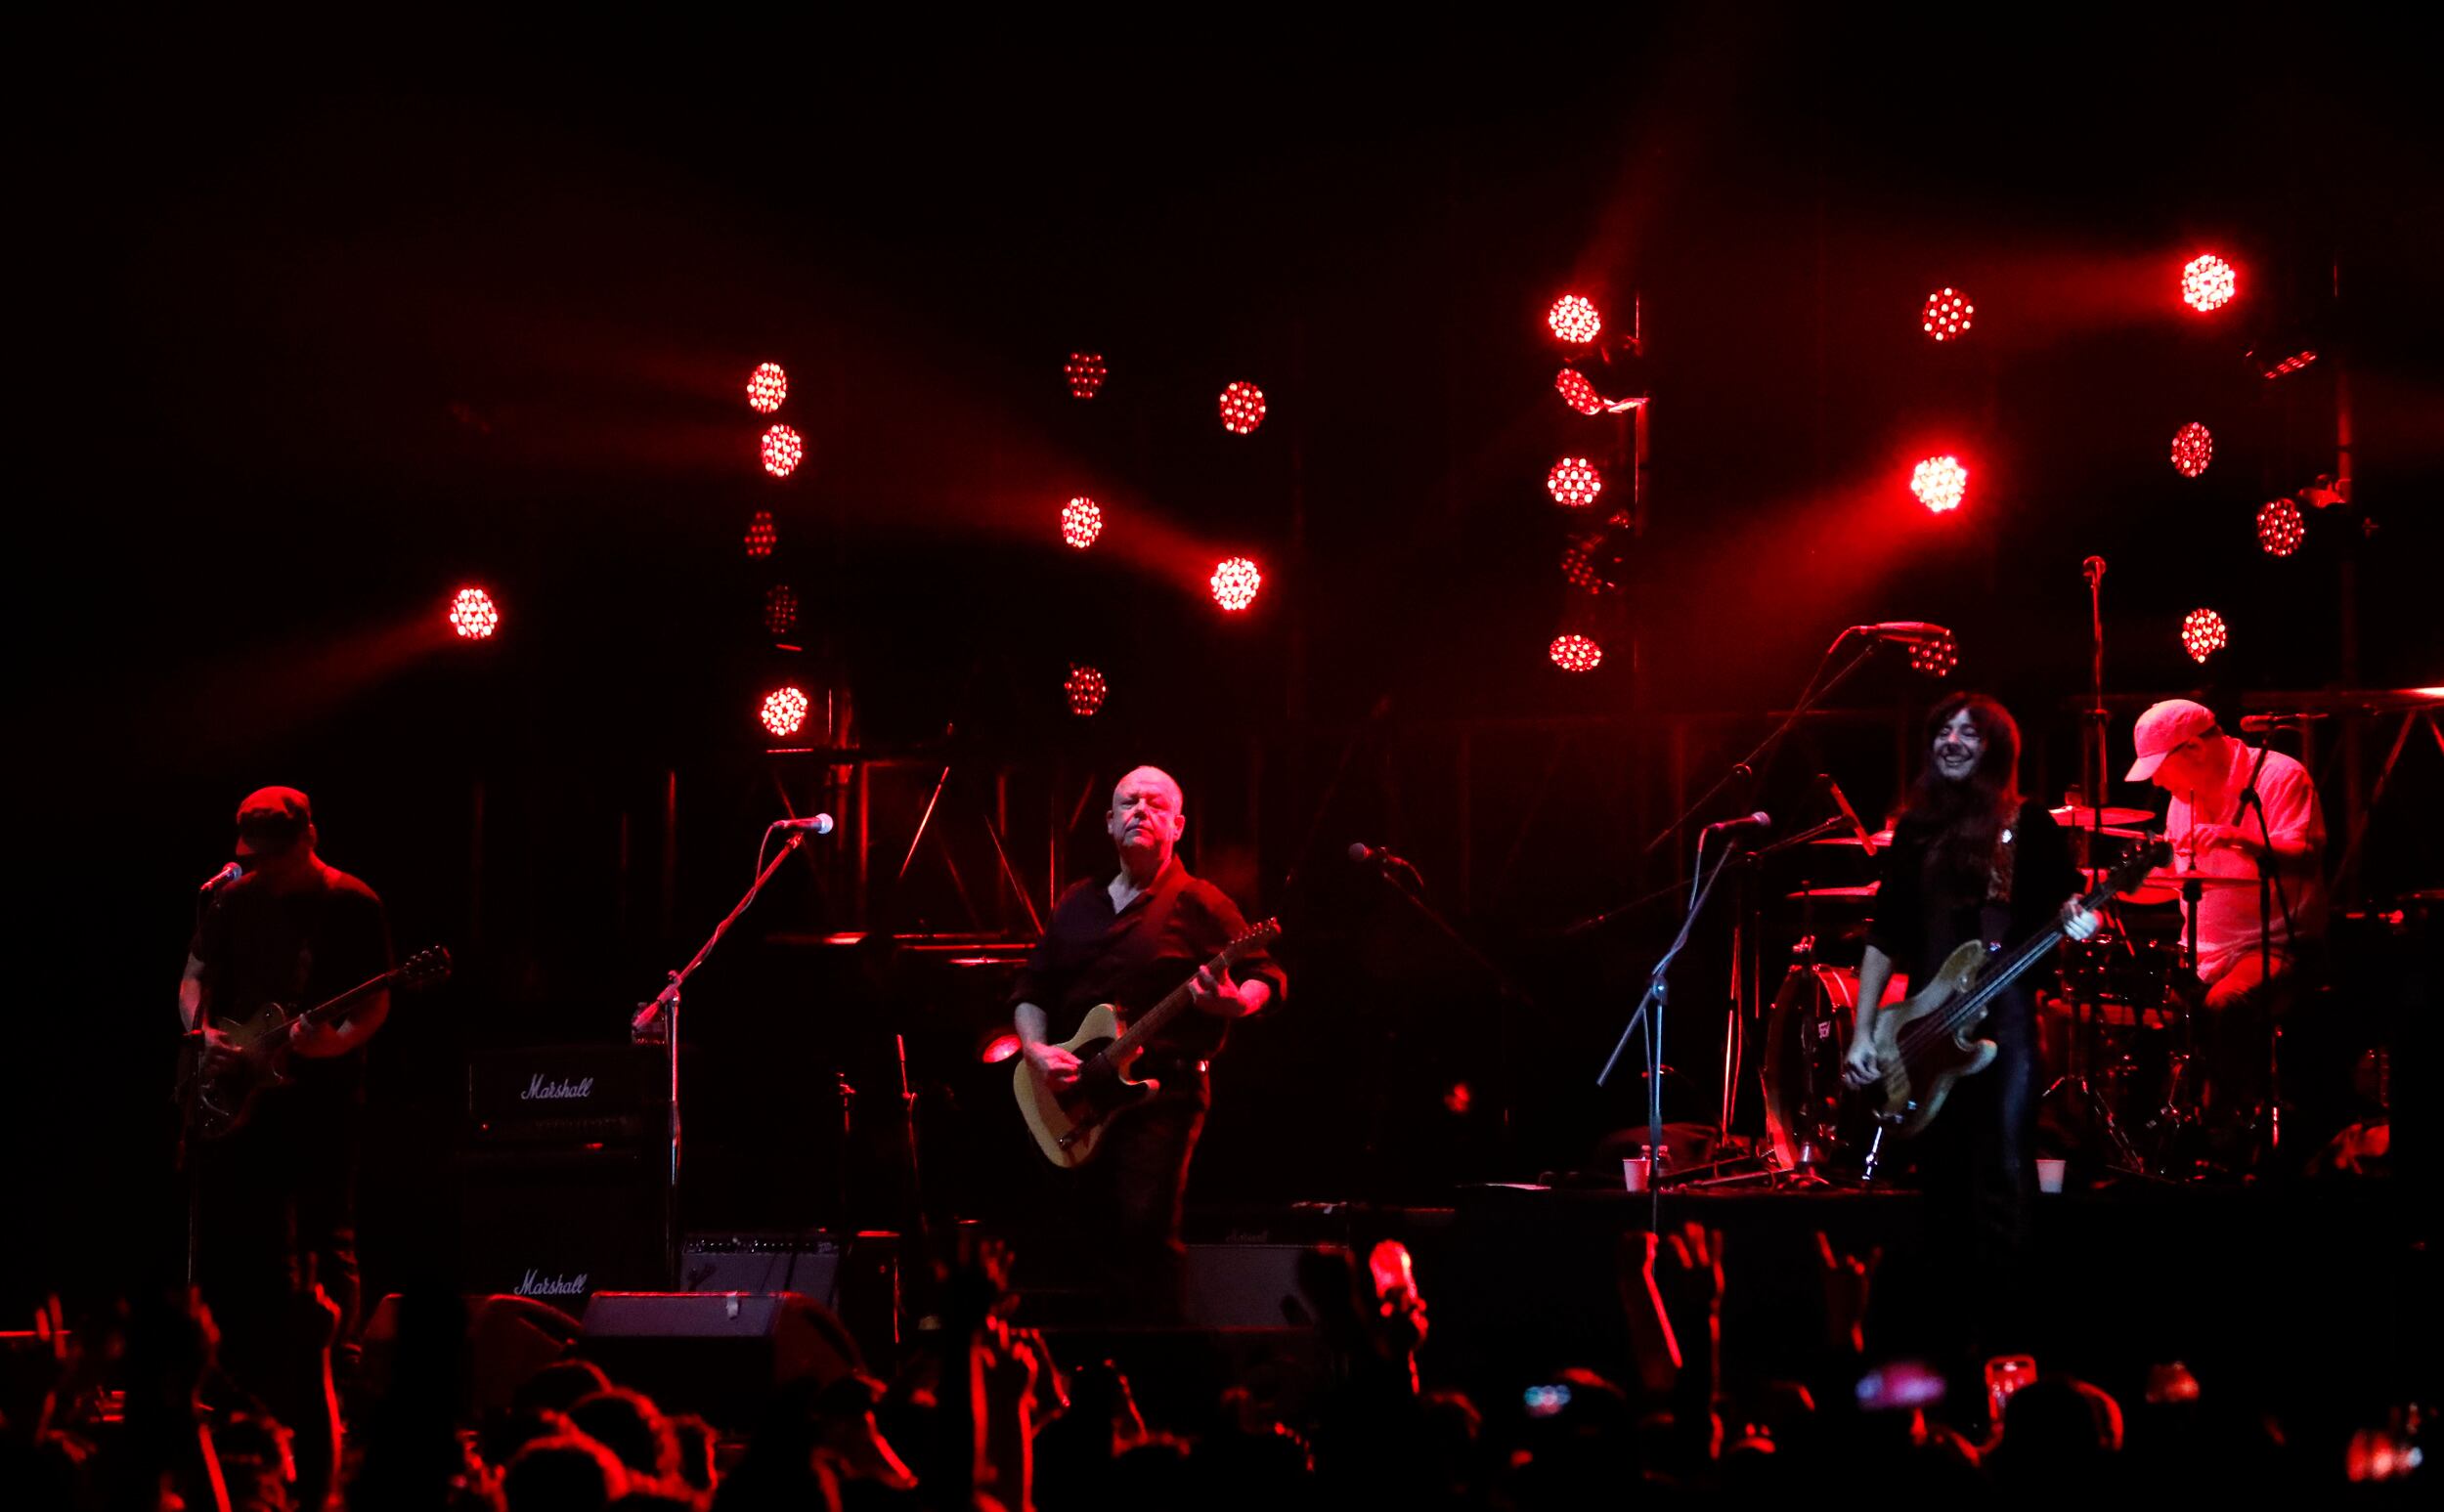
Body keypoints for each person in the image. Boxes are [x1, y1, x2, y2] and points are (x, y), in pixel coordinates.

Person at [1840, 695, 2096, 1378]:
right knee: (1941, 1183)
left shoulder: (2027, 825)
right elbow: (1886, 934)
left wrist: (2077, 921)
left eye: (1968, 734)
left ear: (1996, 750)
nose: (1951, 741)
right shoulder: (1916, 830)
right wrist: (1864, 1031)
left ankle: (2009, 1339)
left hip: (2003, 1018)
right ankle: (1948, 1344)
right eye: (1942, 730)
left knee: (2001, 1175)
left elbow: (2063, 908)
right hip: (1923, 1022)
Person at [1010, 765, 1286, 1322]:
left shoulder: (1200, 902)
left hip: (1161, 1097)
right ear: (1109, 822)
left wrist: (1236, 1001)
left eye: (1156, 805)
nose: (1141, 811)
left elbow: (1267, 975)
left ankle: (1155, 1378)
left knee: (1144, 1239)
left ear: (1178, 826)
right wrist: (1037, 1053)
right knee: (1080, 1248)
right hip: (1079, 1097)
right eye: (1128, 803)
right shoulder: (1077, 903)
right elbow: (1031, 989)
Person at [178, 785, 391, 1490]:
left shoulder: (352, 903)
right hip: (243, 1091)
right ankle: (244, 1378)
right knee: (243, 1237)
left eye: (272, 854)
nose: (260, 866)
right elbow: (192, 979)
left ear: (307, 838)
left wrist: (328, 1045)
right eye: (253, 855)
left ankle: (339, 1372)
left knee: (328, 1233)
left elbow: (375, 1000)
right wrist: (204, 1034)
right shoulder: (231, 899)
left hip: (323, 1095)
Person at [2125, 699, 2327, 1139]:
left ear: (2194, 748)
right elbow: (2178, 879)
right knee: (2139, 1001)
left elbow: (2307, 856)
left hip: (2275, 943)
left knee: (2224, 1004)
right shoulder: (2186, 797)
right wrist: (2106, 885)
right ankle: (2149, 1131)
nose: (2157, 780)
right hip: (2204, 951)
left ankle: (2224, 1131)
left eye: (2160, 767)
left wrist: (2242, 839)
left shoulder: (2278, 776)